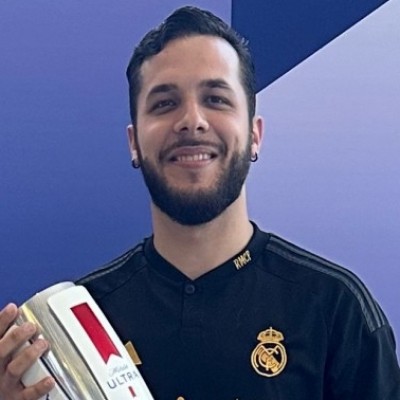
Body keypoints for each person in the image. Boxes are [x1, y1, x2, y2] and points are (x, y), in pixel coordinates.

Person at [0, 6, 399, 400]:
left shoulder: (336, 311)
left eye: (216, 99)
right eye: (164, 103)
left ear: (254, 134)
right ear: (134, 142)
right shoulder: (78, 323)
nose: (192, 120)